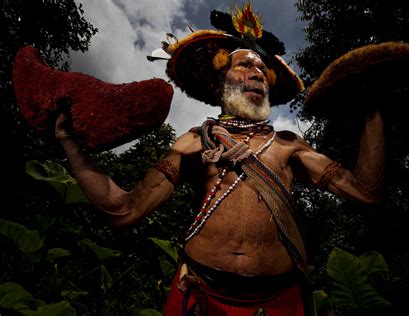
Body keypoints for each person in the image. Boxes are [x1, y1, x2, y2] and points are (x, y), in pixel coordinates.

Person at [55, 5, 385, 316]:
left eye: (262, 69)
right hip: (199, 295)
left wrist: (373, 111)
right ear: (219, 81)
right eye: (245, 65)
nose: (258, 75)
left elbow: (366, 192)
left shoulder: (288, 146)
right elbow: (123, 211)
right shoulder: (193, 142)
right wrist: (71, 144)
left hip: (279, 302)